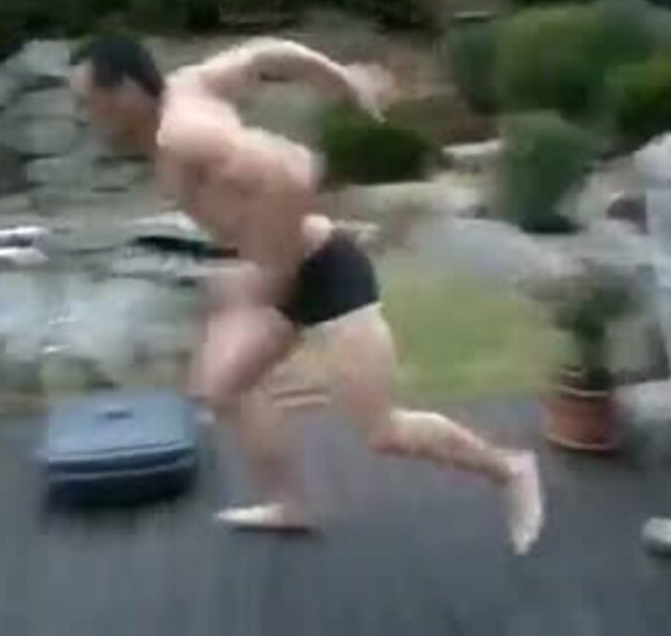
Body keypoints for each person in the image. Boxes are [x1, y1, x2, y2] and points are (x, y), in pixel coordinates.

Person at [68, 33, 545, 554]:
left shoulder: (182, 135)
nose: (85, 116)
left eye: (89, 101)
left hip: (326, 273)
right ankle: (289, 503)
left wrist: (270, 272)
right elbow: (263, 54)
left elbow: (294, 170)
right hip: (284, 278)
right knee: (224, 388)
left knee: (382, 430)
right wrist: (342, 80)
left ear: (127, 91)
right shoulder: (191, 86)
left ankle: (511, 469)